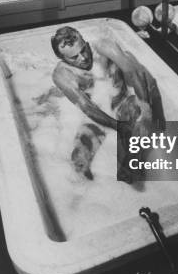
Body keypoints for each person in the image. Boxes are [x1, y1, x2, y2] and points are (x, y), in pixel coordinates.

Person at [51, 26, 165, 183]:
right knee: (78, 163)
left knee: (138, 119)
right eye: (74, 57)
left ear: (85, 42)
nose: (83, 58)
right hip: (99, 111)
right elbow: (88, 108)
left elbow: (134, 74)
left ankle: (133, 162)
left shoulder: (103, 47)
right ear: (63, 59)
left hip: (125, 100)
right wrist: (118, 126)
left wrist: (146, 113)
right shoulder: (61, 75)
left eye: (83, 50)